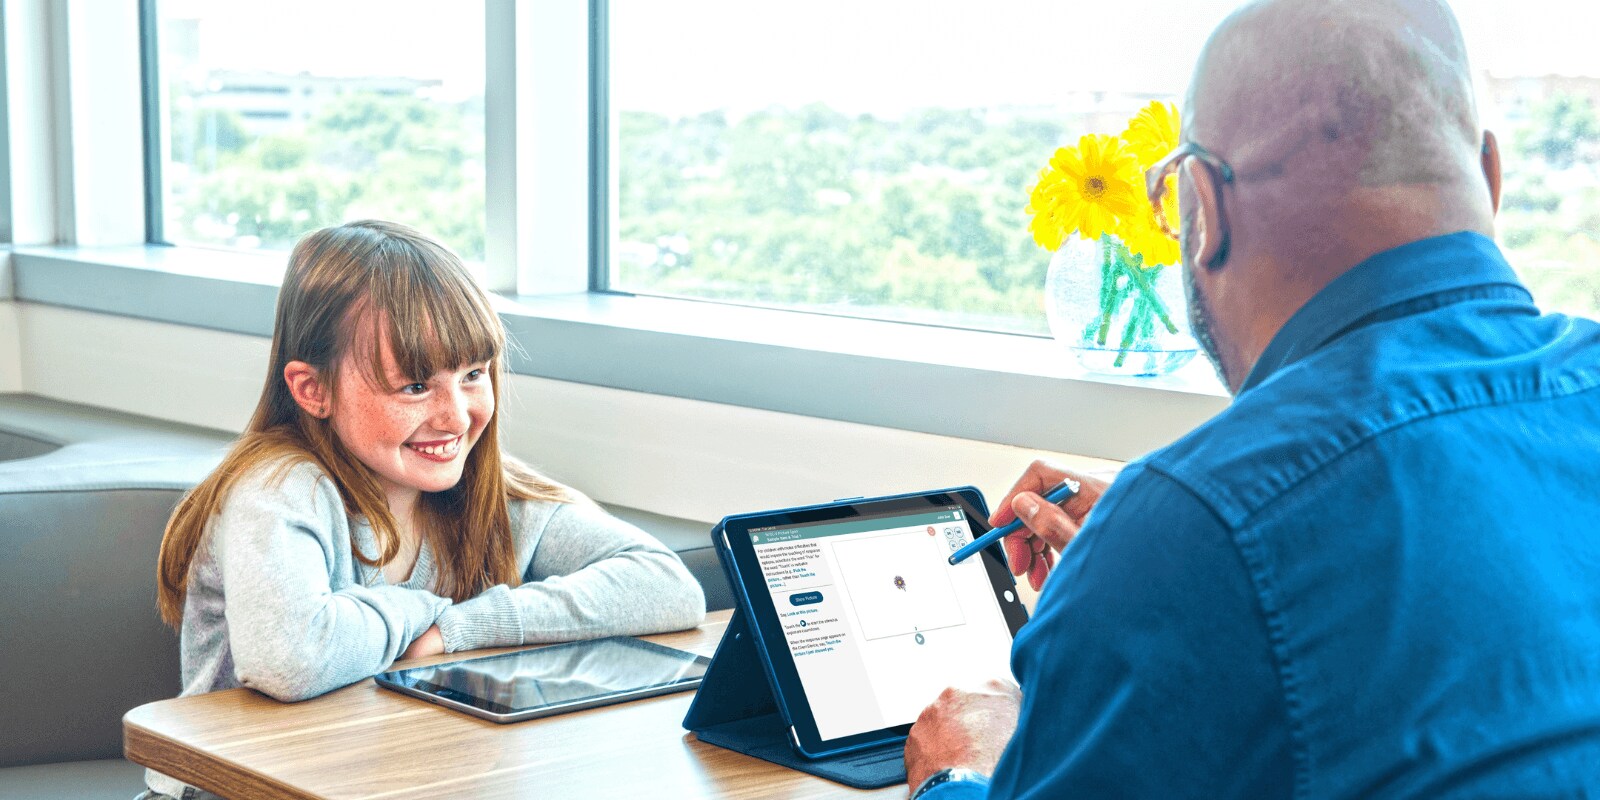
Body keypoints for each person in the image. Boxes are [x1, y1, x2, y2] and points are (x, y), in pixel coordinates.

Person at [904, 0, 1600, 796]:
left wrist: (960, 773)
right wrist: (1158, 561)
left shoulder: (1191, 532)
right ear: (1490, 176)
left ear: (1205, 205)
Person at [138, 221, 705, 800]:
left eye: (472, 376)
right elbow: (292, 658)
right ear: (313, 390)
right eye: (414, 387)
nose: (456, 417)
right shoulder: (279, 488)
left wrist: (459, 627)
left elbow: (666, 585)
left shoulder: (492, 496)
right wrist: (420, 608)